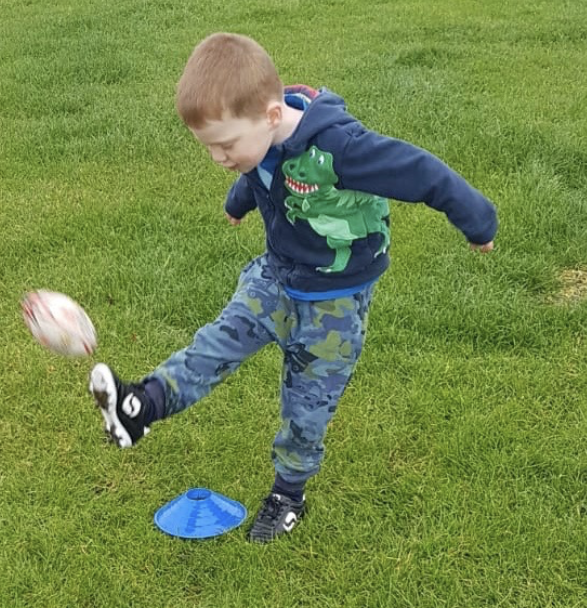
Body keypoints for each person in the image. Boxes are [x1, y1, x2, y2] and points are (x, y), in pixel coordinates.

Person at [88, 32, 497, 543]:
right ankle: (140, 406)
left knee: (306, 406)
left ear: (272, 116)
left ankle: (288, 495)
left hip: (334, 305)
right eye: (209, 147)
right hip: (274, 278)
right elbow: (262, 172)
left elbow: (423, 172)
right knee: (215, 343)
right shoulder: (259, 140)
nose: (218, 157)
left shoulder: (341, 149)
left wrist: (479, 222)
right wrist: (239, 200)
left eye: (224, 145)